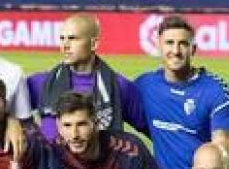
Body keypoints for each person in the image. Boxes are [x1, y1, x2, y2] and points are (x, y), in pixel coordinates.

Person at [133, 16, 229, 169]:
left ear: (193, 49)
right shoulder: (144, 85)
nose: (176, 50)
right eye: (169, 43)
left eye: (183, 44)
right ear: (159, 46)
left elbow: (222, 146)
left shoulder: (214, 89)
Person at [26, 13, 145, 141]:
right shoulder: (41, 82)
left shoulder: (119, 86)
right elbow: (8, 109)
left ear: (93, 44)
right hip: (52, 161)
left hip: (102, 160)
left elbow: (153, 129)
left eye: (73, 38)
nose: (65, 46)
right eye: (62, 38)